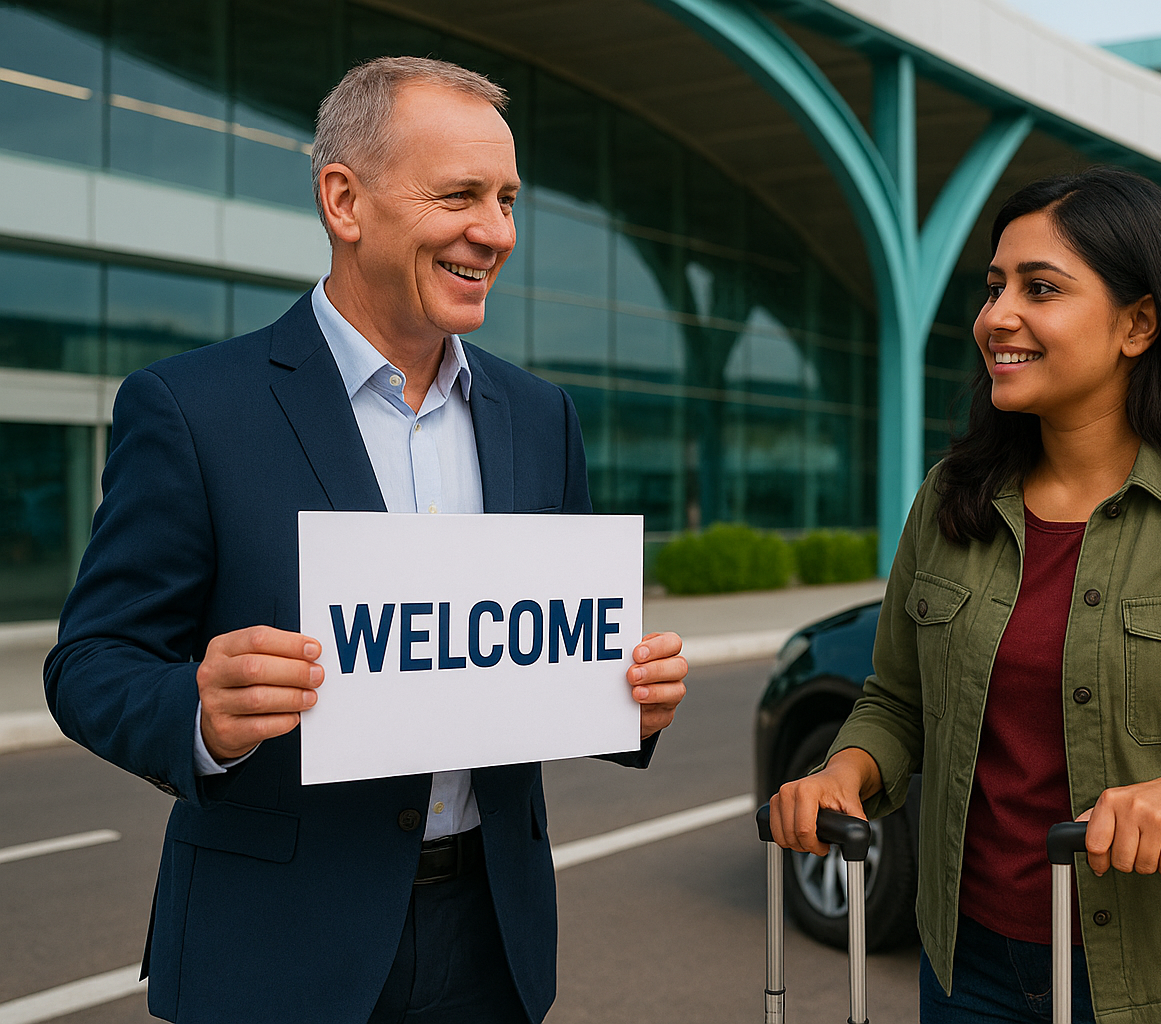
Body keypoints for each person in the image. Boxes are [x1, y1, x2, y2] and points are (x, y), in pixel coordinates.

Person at [43, 56, 688, 1024]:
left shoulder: (540, 415)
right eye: (460, 196)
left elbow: (547, 653)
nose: (496, 232)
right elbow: (90, 661)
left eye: (508, 199)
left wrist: (628, 698)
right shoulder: (190, 409)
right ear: (344, 201)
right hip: (276, 947)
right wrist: (198, 712)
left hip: (493, 938)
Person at [769, 167, 1161, 1024]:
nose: (997, 316)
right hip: (969, 972)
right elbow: (898, 701)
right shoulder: (951, 498)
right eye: (994, 286)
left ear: (1138, 324)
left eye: (1041, 288)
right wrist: (846, 770)